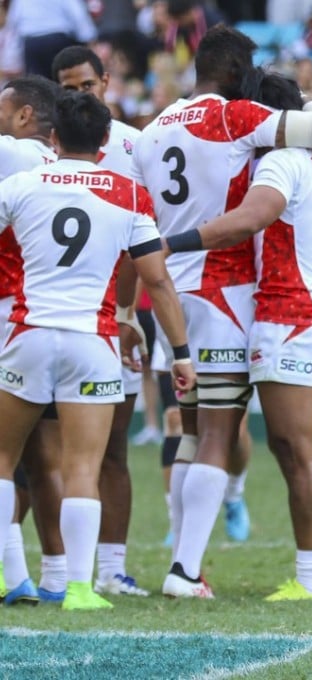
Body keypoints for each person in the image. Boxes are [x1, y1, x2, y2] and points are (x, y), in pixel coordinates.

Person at [131, 24, 312, 599]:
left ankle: (184, 558)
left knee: (188, 428)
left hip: (168, 291)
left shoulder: (149, 133)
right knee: (219, 434)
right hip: (225, 290)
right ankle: (184, 569)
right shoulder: (234, 118)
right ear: (232, 74)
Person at [0, 91, 195, 611]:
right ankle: (80, 589)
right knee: (83, 465)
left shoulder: (20, 184)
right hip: (95, 340)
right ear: (106, 140)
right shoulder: (129, 194)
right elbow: (157, 280)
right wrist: (180, 353)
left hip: (29, 334)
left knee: (2, 457)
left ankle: (11, 571)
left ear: (53, 137)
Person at [52, 43, 149, 598]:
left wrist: (128, 310)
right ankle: (38, 569)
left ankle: (111, 567)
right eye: (67, 88)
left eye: (85, 86)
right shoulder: (40, 152)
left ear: (106, 82)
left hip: (117, 318)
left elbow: (146, 246)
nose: (79, 96)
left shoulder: (136, 147)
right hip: (46, 318)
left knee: (111, 446)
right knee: (37, 453)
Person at [0, 75, 63, 606]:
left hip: (7, 311)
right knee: (44, 456)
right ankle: (54, 574)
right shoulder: (63, 167)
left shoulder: (14, 154)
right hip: (50, 315)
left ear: (24, 118)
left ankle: (15, 575)